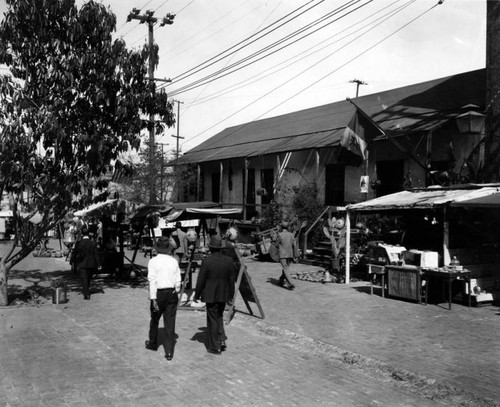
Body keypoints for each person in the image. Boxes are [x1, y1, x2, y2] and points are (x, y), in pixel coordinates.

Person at [194, 235, 236, 355]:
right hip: (223, 294)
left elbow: (201, 280)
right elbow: (231, 280)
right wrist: (231, 296)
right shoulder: (228, 260)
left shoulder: (207, 261)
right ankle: (221, 339)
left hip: (211, 294)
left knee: (212, 319)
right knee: (218, 317)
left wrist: (197, 294)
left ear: (211, 248)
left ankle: (214, 345)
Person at [145, 236, 181, 361]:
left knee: (155, 319)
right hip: (171, 293)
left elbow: (152, 280)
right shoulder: (174, 261)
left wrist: (153, 298)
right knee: (170, 322)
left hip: (159, 293)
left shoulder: (153, 261)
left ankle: (153, 343)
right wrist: (175, 291)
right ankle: (169, 351)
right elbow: (178, 281)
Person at [70, 227, 101, 300]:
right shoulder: (93, 243)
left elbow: (74, 253)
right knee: (88, 278)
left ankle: (86, 293)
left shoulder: (79, 243)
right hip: (91, 264)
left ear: (82, 234)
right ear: (88, 234)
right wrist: (99, 264)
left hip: (82, 263)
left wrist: (72, 261)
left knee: (84, 279)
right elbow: (96, 254)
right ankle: (86, 291)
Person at [275, 221, 297, 290]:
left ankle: (290, 283)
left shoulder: (280, 234)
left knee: (285, 269)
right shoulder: (291, 235)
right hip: (290, 254)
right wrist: (295, 255)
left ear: (281, 227)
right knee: (285, 268)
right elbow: (294, 245)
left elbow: (276, 245)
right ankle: (280, 282)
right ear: (287, 227)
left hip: (282, 254)